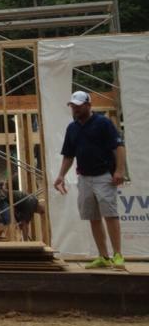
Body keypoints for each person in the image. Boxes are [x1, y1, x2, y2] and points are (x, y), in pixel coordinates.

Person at [54, 90, 127, 269]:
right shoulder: (72, 128)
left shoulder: (103, 123)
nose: (75, 109)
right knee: (93, 217)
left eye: (78, 106)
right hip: (84, 177)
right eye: (73, 106)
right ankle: (103, 256)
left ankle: (118, 254)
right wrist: (61, 175)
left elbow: (118, 146)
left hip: (104, 176)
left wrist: (119, 170)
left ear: (88, 105)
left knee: (110, 214)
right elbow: (69, 155)